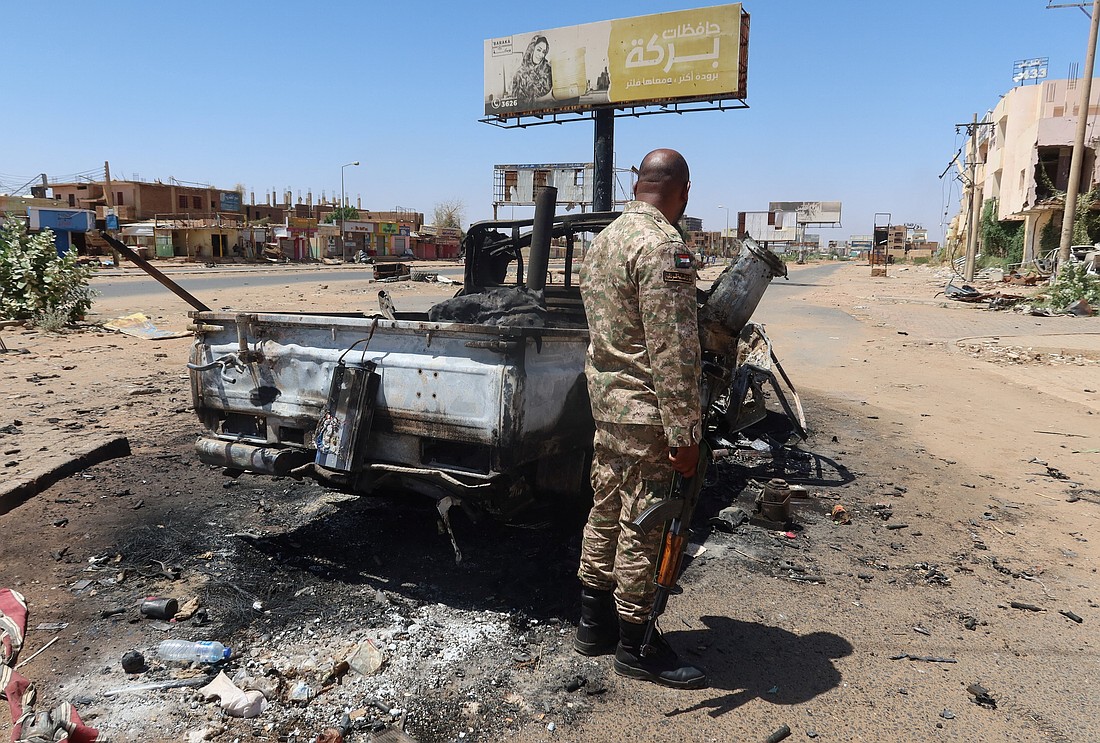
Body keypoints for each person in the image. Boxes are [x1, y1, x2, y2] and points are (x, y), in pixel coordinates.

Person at [573, 149, 707, 689]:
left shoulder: (605, 241)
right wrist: (685, 433)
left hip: (608, 408)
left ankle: (592, 624)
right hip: (649, 415)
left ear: (639, 184)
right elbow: (673, 352)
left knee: (606, 507)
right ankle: (637, 642)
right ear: (684, 191)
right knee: (645, 522)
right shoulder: (662, 248)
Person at [511, 35, 553, 106]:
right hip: (526, 114)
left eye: (544, 52)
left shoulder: (549, 69)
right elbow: (516, 104)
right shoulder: (519, 74)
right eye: (538, 50)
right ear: (532, 49)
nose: (541, 55)